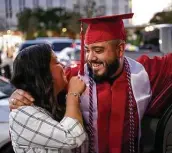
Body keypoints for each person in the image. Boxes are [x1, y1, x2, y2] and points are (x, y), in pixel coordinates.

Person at [9, 13, 172, 153]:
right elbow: (39, 84)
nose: (90, 58)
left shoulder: (145, 72)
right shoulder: (73, 77)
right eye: (87, 50)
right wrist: (18, 94)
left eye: (98, 50)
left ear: (120, 49)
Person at [9, 44, 87, 153]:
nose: (63, 65)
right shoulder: (22, 114)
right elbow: (73, 137)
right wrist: (73, 94)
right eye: (56, 62)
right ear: (41, 72)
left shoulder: (55, 102)